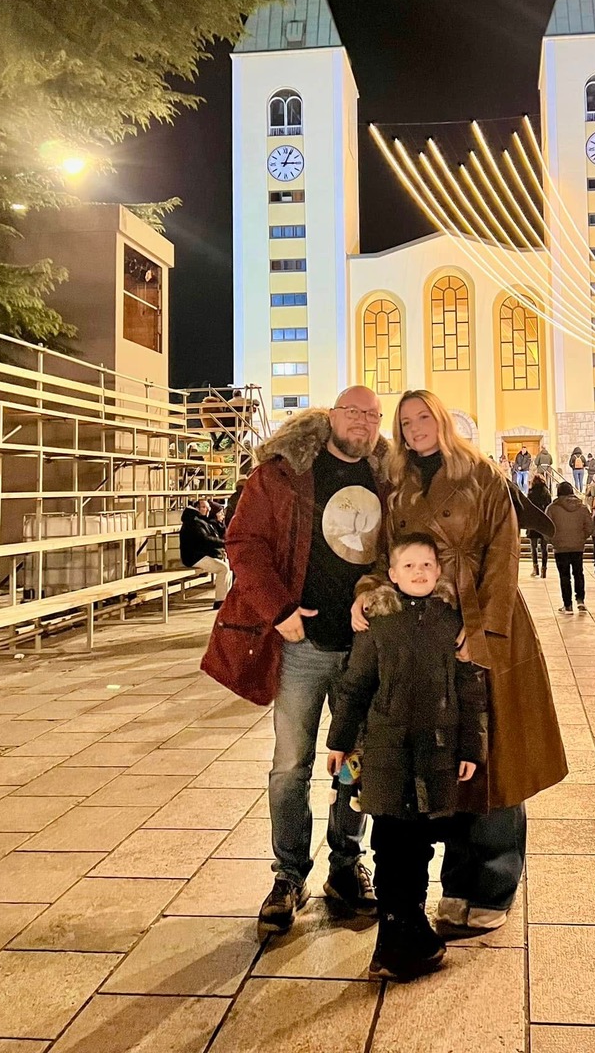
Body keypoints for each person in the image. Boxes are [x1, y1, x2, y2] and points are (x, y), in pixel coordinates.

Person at [352, 389, 566, 936]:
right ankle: (456, 884)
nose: (415, 428)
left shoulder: (481, 474)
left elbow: (503, 553)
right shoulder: (399, 485)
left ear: (442, 420)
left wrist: (484, 629)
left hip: (483, 620)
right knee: (451, 758)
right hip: (427, 628)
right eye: (405, 422)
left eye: (424, 417)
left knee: (496, 757)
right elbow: (385, 556)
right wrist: (369, 592)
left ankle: (493, 883)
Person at [203, 389, 388, 933]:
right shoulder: (284, 473)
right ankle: (288, 874)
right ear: (332, 417)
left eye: (373, 415)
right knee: (290, 765)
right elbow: (244, 541)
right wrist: (279, 608)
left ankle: (347, 865)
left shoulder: (387, 478)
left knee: (355, 762)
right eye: (353, 412)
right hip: (301, 646)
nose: (363, 422)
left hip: (363, 648)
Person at [327, 533, 488, 982]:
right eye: (409, 566)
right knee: (391, 842)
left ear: (439, 572)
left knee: (420, 843)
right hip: (387, 754)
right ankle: (395, 936)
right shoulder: (379, 623)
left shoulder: (450, 620)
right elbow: (355, 686)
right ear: (392, 575)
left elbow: (470, 688)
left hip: (435, 752)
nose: (419, 573)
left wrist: (472, 747)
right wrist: (339, 741)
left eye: (427, 565)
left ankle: (407, 929)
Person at [546, 480, 594, 615]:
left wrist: (552, 540)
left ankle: (567, 605)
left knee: (564, 576)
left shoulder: (552, 508)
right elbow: (589, 527)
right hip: (577, 546)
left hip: (560, 547)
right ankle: (580, 600)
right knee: (578, 573)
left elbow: (546, 527)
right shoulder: (582, 507)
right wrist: (582, 538)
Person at [180, 498, 232, 609]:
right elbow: (204, 539)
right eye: (204, 507)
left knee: (227, 565)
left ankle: (227, 599)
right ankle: (220, 601)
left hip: (201, 554)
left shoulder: (201, 520)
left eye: (208, 507)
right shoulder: (193, 521)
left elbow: (213, 536)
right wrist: (224, 543)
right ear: (197, 508)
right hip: (194, 557)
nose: (207, 510)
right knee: (223, 568)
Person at [526, 474, 552, 577]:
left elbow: (527, 508)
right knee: (544, 547)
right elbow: (549, 506)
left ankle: (535, 568)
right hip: (544, 521)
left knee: (534, 546)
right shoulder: (546, 492)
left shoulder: (531, 493)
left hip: (533, 522)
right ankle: (544, 569)